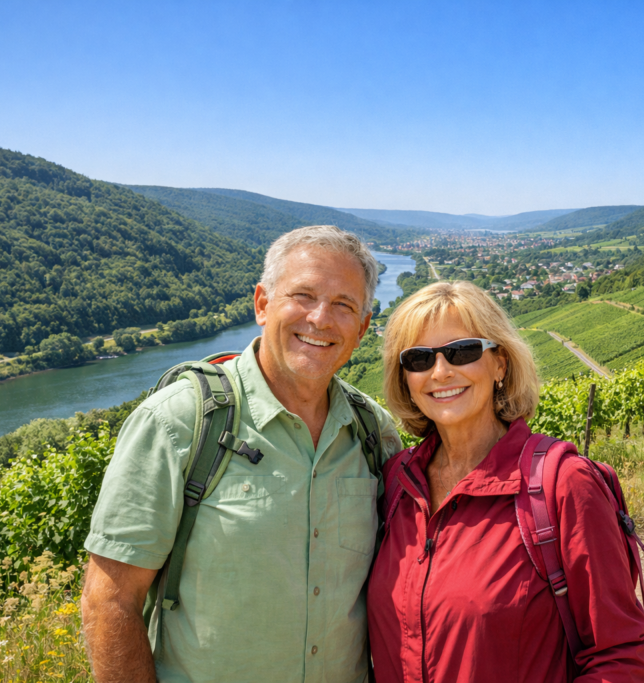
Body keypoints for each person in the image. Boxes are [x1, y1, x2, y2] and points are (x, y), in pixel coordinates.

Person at [80, 225, 403, 683]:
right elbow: (109, 601)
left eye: (344, 305)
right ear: (262, 304)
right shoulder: (178, 422)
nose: (320, 319)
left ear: (364, 327)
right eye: (304, 295)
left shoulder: (374, 434)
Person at [368, 281, 644, 682]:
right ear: (405, 378)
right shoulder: (396, 482)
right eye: (418, 359)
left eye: (462, 351)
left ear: (500, 362)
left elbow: (619, 656)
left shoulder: (563, 484)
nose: (441, 371)